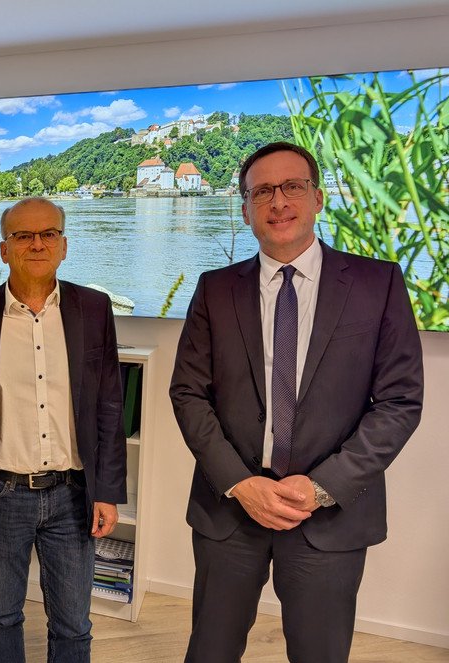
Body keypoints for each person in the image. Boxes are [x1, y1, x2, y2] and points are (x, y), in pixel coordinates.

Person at [169, 142, 424, 662]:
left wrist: (322, 487)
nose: (278, 201)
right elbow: (189, 393)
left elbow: (399, 402)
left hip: (328, 518)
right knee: (210, 651)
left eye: (292, 187)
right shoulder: (215, 289)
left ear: (318, 198)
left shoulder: (378, 284)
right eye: (262, 191)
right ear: (245, 209)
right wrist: (241, 483)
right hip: (231, 512)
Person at [0, 197, 125, 662]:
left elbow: (108, 406)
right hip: (0, 496)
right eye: (23, 235)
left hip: (72, 495)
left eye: (48, 234)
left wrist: (108, 491)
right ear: (4, 250)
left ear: (65, 245)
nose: (36, 244)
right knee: (1, 614)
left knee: (73, 624)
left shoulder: (95, 309)